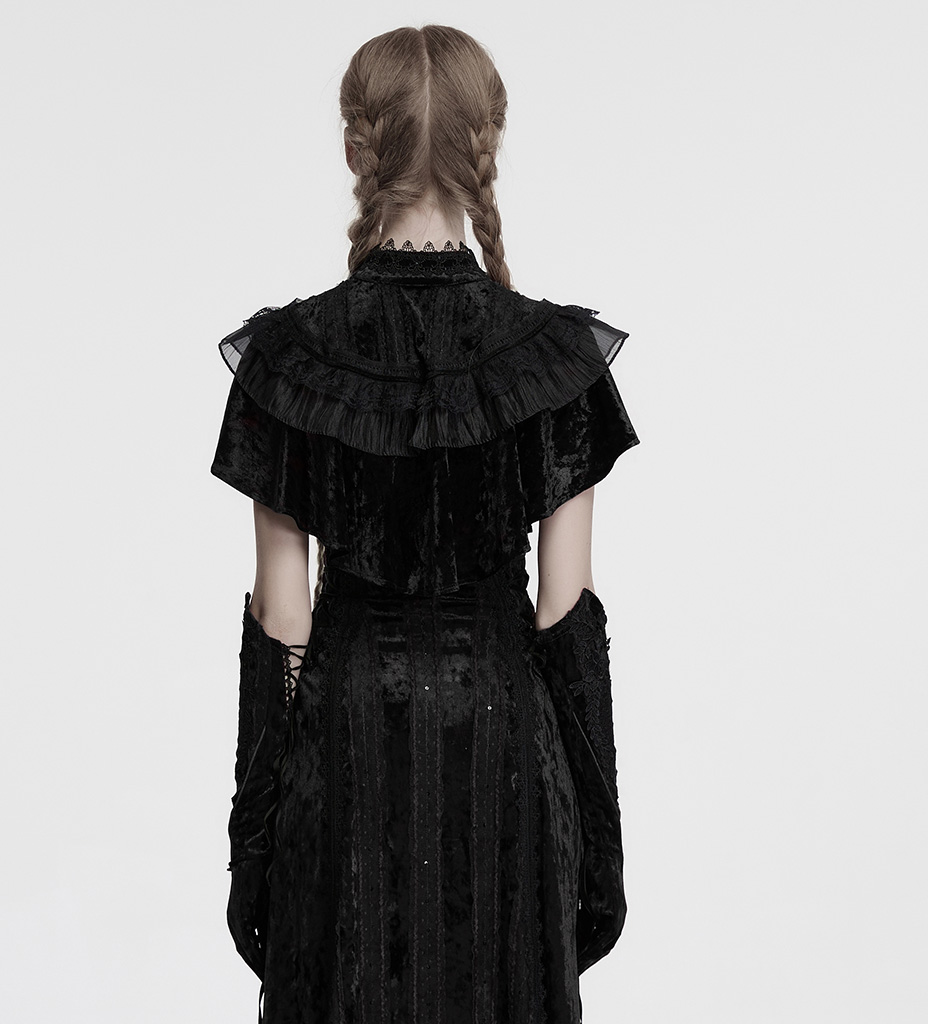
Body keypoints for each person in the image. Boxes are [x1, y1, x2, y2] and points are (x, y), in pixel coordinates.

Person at [209, 24, 641, 1024]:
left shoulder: (288, 357)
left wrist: (255, 845)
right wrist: (598, 844)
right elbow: (564, 615)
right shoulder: (554, 356)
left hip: (344, 740)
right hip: (503, 740)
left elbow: (282, 622)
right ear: (489, 142)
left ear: (355, 148)